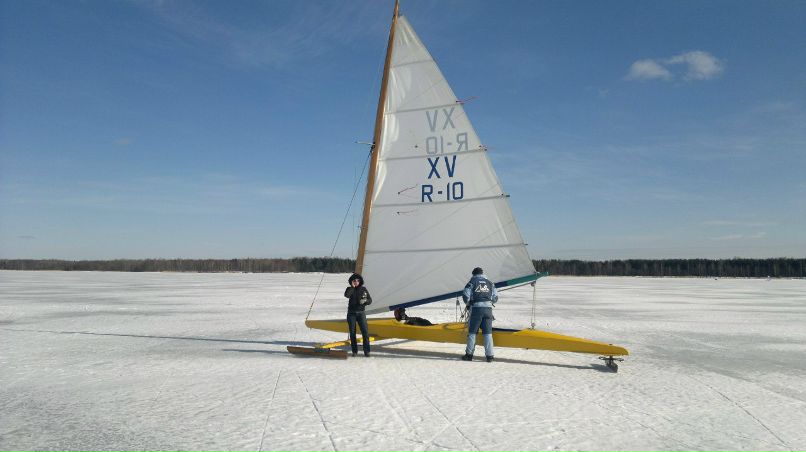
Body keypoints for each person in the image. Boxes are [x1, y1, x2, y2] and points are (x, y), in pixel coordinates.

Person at [461, 267, 498, 362]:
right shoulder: (490, 283)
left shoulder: (472, 282)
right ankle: (490, 356)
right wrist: (489, 302)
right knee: (488, 333)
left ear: (474, 274)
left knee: (472, 333)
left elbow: (465, 296)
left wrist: (468, 304)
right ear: (482, 273)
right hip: (488, 310)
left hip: (476, 310)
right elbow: (495, 298)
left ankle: (469, 355)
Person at [344, 273, 372, 357]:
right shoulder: (349, 289)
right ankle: (354, 351)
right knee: (352, 333)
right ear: (352, 281)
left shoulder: (363, 289)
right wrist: (352, 287)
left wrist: (365, 301)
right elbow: (347, 295)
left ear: (360, 281)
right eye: (354, 280)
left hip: (361, 313)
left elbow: (370, 300)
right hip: (351, 314)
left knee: (365, 332)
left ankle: (367, 351)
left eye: (358, 280)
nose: (356, 282)